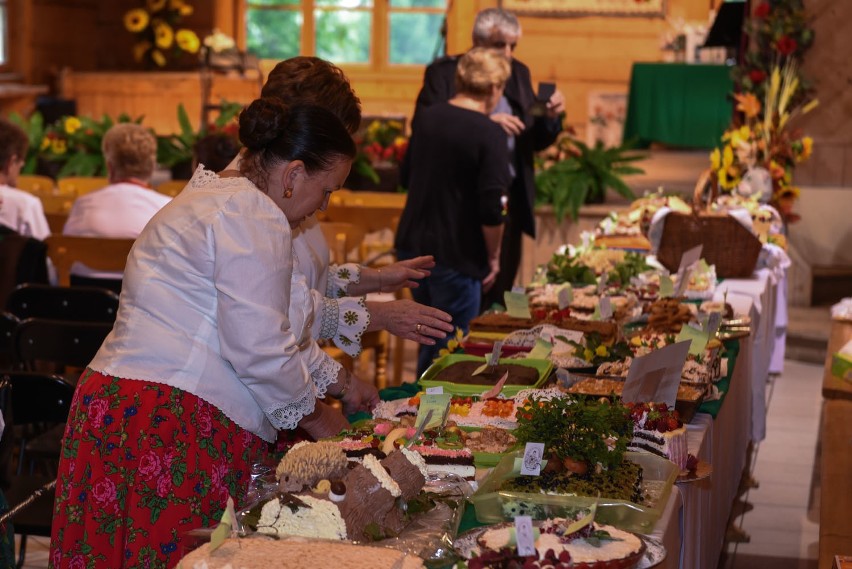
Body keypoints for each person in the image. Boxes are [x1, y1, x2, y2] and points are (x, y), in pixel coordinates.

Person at [50, 100, 378, 568]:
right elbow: (261, 348)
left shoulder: (204, 196)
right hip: (171, 418)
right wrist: (319, 419)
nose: (321, 206)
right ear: (293, 174)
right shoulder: (254, 213)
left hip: (114, 403)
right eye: (326, 191)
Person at [229, 56, 454, 358]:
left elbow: (308, 278)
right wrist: (383, 316)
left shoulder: (292, 186)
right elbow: (282, 318)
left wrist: (378, 278)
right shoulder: (250, 204)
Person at [408, 8, 565, 310]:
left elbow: (532, 138)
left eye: (512, 46)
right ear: (476, 42)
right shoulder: (444, 72)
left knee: (497, 301)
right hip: (455, 207)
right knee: (453, 312)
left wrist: (552, 117)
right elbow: (429, 130)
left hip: (504, 203)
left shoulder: (518, 72)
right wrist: (487, 125)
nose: (507, 53)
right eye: (499, 45)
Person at [396, 47, 512, 376]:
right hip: (456, 253)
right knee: (450, 351)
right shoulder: (489, 132)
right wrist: (494, 256)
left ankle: (415, 411)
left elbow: (406, 176)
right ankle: (431, 420)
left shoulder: (428, 118)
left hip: (412, 246)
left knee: (430, 339)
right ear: (493, 88)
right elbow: (493, 207)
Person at [62, 123, 171, 292]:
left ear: (110, 167)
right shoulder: (168, 208)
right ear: (151, 169)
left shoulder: (83, 205)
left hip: (82, 306)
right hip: (143, 310)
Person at [0, 118, 51, 240]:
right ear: (11, 162)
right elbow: (44, 253)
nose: (22, 165)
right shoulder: (25, 204)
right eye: (21, 161)